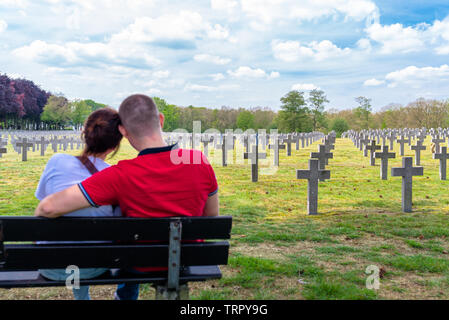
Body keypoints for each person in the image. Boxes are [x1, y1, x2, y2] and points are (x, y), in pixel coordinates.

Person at [35, 94, 219, 300]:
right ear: (160, 119)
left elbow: (49, 207)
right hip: (186, 260)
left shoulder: (121, 173)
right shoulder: (197, 160)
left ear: (123, 131)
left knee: (128, 255)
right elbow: (211, 215)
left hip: (139, 264)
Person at [35, 108, 123, 300]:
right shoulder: (114, 176)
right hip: (93, 267)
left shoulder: (56, 161)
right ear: (115, 145)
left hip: (52, 266)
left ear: (84, 133)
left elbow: (42, 201)